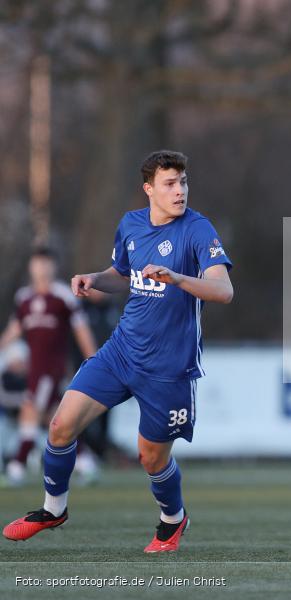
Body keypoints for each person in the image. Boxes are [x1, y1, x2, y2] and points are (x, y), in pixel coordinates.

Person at [2, 150, 234, 553]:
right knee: (60, 426)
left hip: (170, 368)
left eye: (183, 183)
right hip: (122, 352)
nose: (179, 191)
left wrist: (178, 277)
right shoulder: (130, 224)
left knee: (151, 459)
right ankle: (53, 509)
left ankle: (173, 519)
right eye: (169, 184)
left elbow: (224, 291)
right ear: (149, 189)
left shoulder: (197, 230)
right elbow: (121, 275)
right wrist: (95, 279)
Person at [0, 248, 97, 486]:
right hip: (35, 368)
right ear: (31, 267)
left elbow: (81, 329)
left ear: (54, 266)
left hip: (53, 368)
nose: (41, 268)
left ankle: (17, 466)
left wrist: (94, 361)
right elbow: (15, 329)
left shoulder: (63, 295)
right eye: (37, 264)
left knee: (30, 408)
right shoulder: (24, 298)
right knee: (54, 418)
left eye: (46, 264)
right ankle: (86, 461)